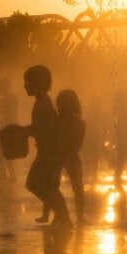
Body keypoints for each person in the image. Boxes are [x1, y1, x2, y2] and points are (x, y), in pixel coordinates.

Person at [22, 65, 72, 230]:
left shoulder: (42, 104)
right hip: (50, 151)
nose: (25, 86)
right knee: (49, 187)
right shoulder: (43, 101)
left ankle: (64, 218)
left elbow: (40, 130)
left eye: (27, 82)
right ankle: (62, 218)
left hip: (50, 153)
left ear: (37, 83)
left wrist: (19, 130)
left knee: (35, 184)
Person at [36, 90, 87, 227]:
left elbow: (78, 144)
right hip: (57, 156)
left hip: (69, 156)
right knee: (52, 187)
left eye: (66, 103)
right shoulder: (56, 121)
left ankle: (80, 218)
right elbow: (49, 138)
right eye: (61, 103)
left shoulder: (79, 123)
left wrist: (62, 152)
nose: (63, 106)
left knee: (78, 189)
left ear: (73, 104)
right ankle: (50, 215)